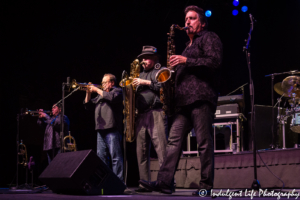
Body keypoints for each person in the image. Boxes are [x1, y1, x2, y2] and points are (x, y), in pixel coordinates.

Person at [139, 5, 223, 195]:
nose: (187, 22)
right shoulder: (186, 48)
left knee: (203, 143)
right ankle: (164, 182)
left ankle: (206, 187)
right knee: (173, 142)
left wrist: (186, 62)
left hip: (201, 98)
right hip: (183, 103)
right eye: (186, 19)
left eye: (192, 18)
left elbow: (214, 62)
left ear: (201, 23)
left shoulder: (210, 38)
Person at [132, 46, 168, 192]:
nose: (143, 61)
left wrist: (144, 82)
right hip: (140, 115)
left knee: (161, 149)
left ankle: (166, 183)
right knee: (141, 151)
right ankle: (144, 183)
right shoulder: (139, 74)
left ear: (154, 59)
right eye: (142, 58)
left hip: (156, 112)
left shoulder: (160, 70)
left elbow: (163, 86)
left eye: (146, 58)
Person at [83, 73, 124, 182]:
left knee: (115, 157)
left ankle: (118, 182)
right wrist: (88, 92)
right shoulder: (100, 95)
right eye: (102, 83)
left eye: (105, 82)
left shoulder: (117, 91)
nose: (103, 84)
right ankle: (105, 182)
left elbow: (111, 98)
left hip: (112, 129)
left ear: (112, 83)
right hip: (100, 130)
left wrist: (96, 90)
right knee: (101, 159)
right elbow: (88, 106)